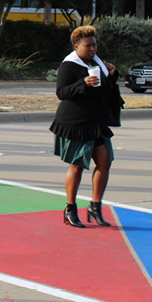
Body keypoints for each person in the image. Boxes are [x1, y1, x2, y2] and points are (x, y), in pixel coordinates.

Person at [52, 25, 122, 228]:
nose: (93, 49)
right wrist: (83, 83)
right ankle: (70, 209)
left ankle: (95, 207)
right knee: (77, 165)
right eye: (88, 45)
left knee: (105, 162)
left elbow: (107, 89)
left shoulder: (98, 63)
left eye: (95, 44)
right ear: (77, 46)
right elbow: (61, 92)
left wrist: (112, 74)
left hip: (97, 121)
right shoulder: (69, 65)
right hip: (77, 122)